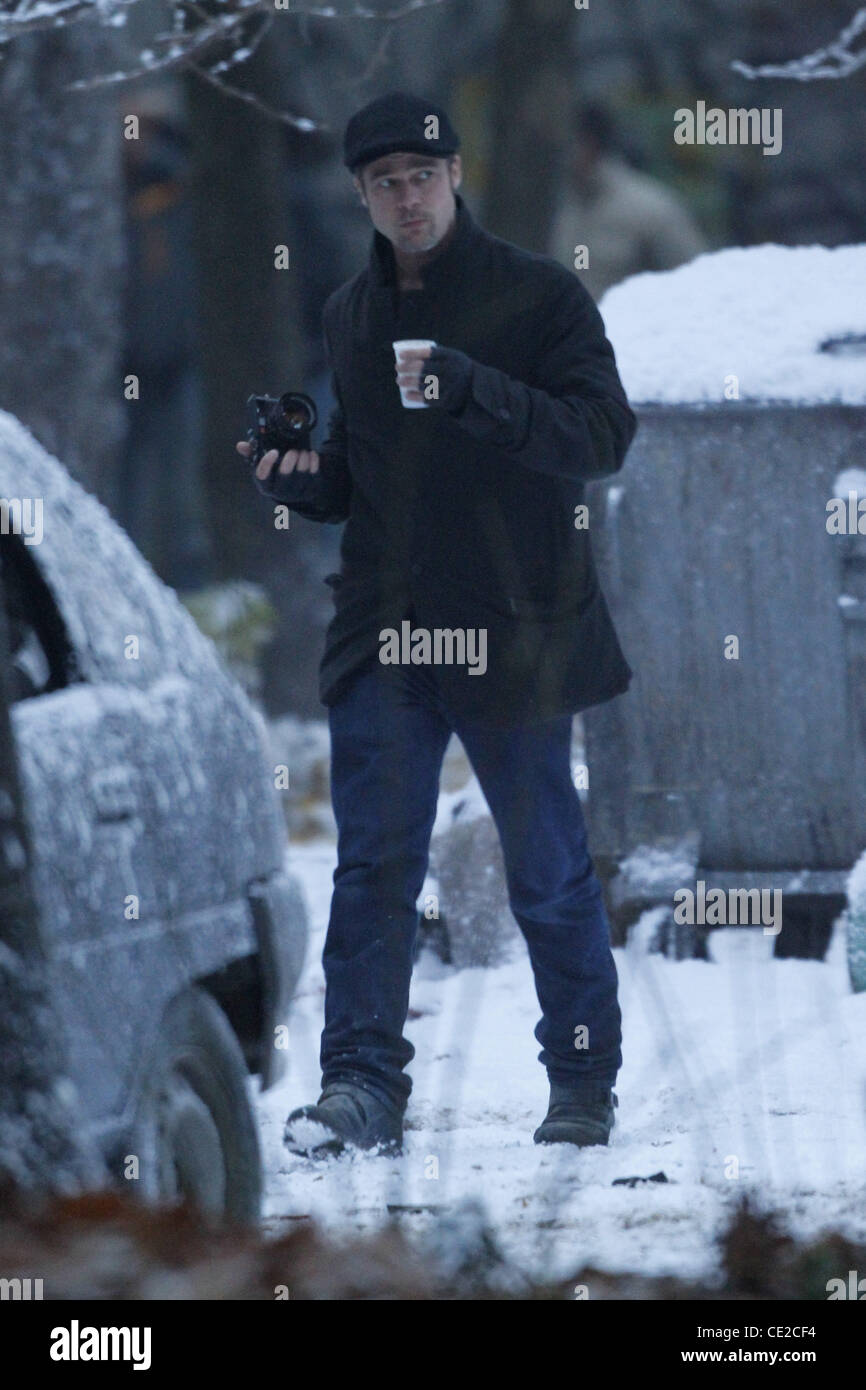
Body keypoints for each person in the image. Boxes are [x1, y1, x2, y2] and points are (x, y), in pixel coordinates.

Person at [236, 91, 638, 1156]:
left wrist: (472, 389)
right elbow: (365, 482)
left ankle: (582, 1077)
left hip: (513, 626)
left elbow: (601, 437)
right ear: (361, 196)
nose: (405, 200)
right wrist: (300, 478)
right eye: (383, 184)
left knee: (543, 865)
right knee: (372, 864)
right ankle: (360, 1085)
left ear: (454, 175)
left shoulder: (539, 298)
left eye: (420, 177)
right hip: (385, 627)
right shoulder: (350, 316)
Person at [548, 101, 707, 301]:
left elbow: (697, 281)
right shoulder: (568, 205)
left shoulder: (650, 208)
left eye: (568, 144)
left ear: (591, 143)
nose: (560, 156)